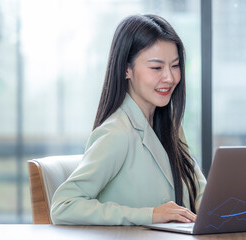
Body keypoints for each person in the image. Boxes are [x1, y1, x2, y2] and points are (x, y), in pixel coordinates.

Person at [50, 14, 207, 225]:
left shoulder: (171, 125)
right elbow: (64, 205)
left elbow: (197, 188)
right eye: (156, 68)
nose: (170, 78)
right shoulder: (117, 132)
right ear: (127, 69)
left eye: (175, 65)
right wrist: (149, 215)